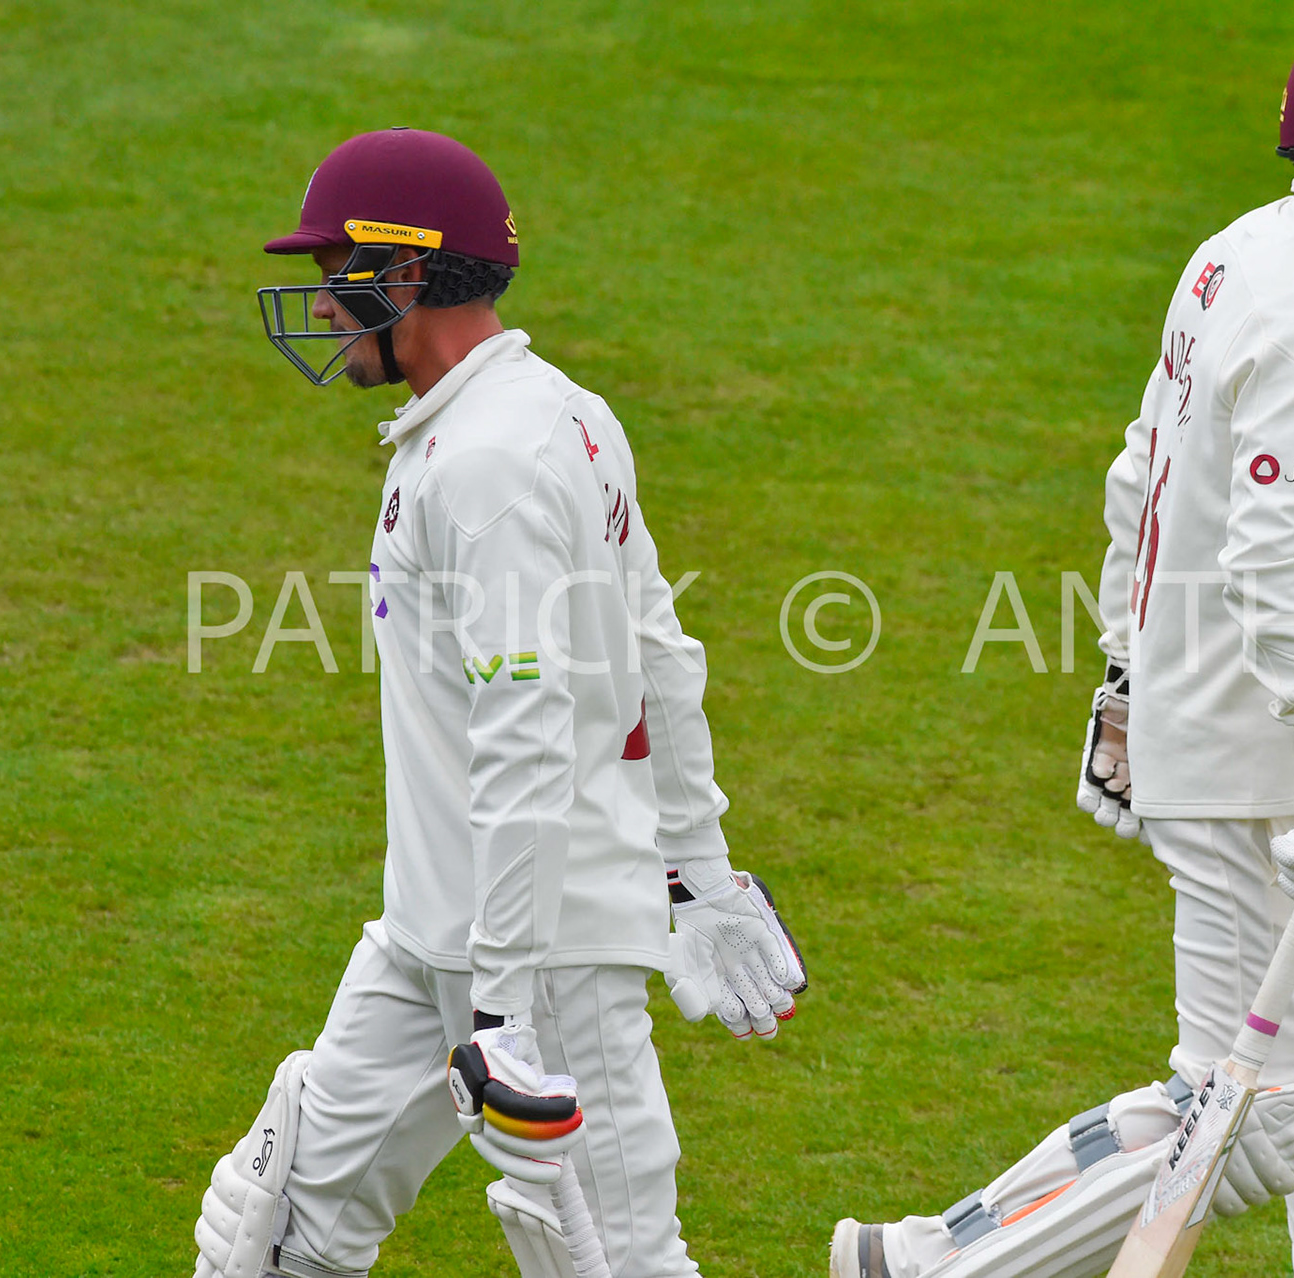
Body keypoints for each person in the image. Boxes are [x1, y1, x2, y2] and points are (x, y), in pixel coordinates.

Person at [834, 3, 1294, 1276]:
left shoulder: (1235, 256)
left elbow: (1135, 477)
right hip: (1261, 764)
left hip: (1212, 727)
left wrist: (1122, 681)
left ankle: (926, 1261)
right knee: (1241, 1108)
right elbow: (1268, 556)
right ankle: (934, 1265)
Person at [193, 127, 806, 1278]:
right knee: (270, 1233)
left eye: (337, 276)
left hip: (539, 957)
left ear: (407, 275)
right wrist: (699, 868)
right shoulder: (551, 416)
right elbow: (660, 653)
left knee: (617, 1263)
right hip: (432, 933)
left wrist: (512, 1004)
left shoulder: (489, 464)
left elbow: (531, 735)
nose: (322, 305)